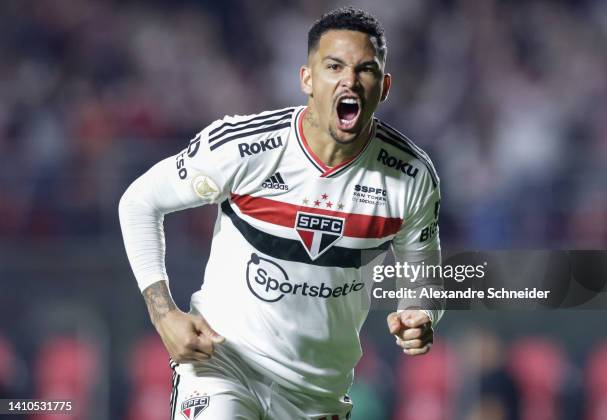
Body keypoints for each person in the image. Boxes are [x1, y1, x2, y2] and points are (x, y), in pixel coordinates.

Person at [119, 7, 443, 420]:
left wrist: (421, 311)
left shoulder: (411, 176)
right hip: (224, 365)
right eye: (334, 66)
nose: (349, 80)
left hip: (318, 393)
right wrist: (164, 315)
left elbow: (423, 271)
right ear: (307, 79)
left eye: (365, 69)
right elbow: (139, 201)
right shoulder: (244, 148)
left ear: (384, 87)